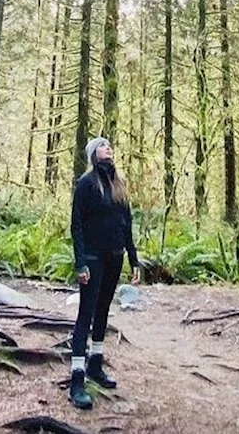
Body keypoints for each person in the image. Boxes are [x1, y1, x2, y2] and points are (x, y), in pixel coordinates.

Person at [67, 136, 140, 410]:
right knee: (85, 313)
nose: (107, 148)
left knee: (104, 312)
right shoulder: (86, 184)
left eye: (109, 145)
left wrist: (134, 260)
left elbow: (126, 223)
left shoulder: (118, 185)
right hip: (93, 258)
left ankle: (95, 365)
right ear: (92, 154)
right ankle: (77, 380)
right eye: (102, 145)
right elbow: (76, 225)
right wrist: (80, 263)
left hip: (114, 257)